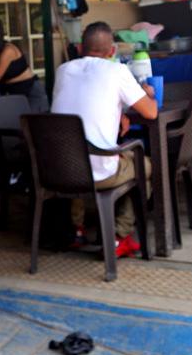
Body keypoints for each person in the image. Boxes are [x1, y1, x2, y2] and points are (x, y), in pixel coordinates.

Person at [50, 22, 158, 258]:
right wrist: (148, 94)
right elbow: (150, 112)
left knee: (76, 152)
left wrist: (118, 112)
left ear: (79, 48)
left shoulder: (63, 71)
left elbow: (81, 104)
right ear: (112, 52)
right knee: (146, 165)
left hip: (56, 171)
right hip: (99, 173)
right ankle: (119, 236)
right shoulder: (117, 71)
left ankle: (76, 229)